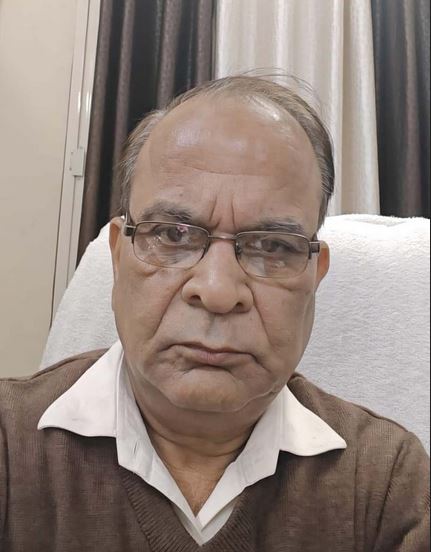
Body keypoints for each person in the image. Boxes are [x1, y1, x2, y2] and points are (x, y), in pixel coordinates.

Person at [0, 76, 429, 552]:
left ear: (314, 275)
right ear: (118, 257)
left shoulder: (388, 485)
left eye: (272, 246)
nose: (218, 291)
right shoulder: (9, 445)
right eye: (173, 235)